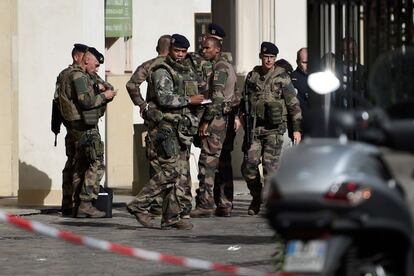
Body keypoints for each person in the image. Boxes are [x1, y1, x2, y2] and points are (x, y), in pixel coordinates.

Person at [126, 34, 204, 230]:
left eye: (183, 52)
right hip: (164, 127)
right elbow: (164, 98)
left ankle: (171, 216)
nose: (180, 55)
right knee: (170, 171)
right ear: (169, 49)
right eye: (177, 51)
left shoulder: (184, 68)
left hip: (180, 128)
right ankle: (139, 204)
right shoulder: (160, 69)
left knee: (179, 174)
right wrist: (143, 106)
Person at [241, 42, 302, 216]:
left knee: (270, 168)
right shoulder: (252, 76)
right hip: (254, 129)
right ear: (261, 56)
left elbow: (293, 104)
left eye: (272, 57)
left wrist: (296, 128)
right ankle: (256, 196)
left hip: (274, 130)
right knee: (249, 166)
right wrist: (240, 118)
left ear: (275, 59)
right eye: (266, 57)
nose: (268, 60)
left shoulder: (282, 77)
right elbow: (245, 99)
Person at [53, 44, 114, 217]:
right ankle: (85, 203)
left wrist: (99, 87)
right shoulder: (79, 76)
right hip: (84, 127)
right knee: (96, 163)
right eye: (95, 65)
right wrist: (103, 96)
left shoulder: (66, 75)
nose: (96, 69)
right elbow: (86, 102)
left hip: (72, 127)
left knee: (76, 165)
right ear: (84, 59)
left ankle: (70, 204)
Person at [191, 36, 241, 218]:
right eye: (203, 48)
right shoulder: (227, 66)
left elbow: (217, 97)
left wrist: (205, 121)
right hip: (225, 120)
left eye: (207, 48)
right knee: (224, 162)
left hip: (216, 121)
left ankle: (205, 204)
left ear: (217, 50)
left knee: (208, 162)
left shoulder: (220, 68)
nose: (203, 51)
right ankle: (225, 203)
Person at [126, 35, 171, 216]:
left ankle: (157, 204)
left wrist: (142, 104)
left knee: (155, 161)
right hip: (170, 120)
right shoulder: (175, 66)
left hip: (154, 119)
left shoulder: (149, 65)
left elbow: (132, 84)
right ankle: (170, 205)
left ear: (157, 47)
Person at [291, 47, 310, 136]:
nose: (308, 65)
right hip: (299, 127)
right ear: (297, 62)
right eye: (304, 62)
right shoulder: (291, 79)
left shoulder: (317, 77)